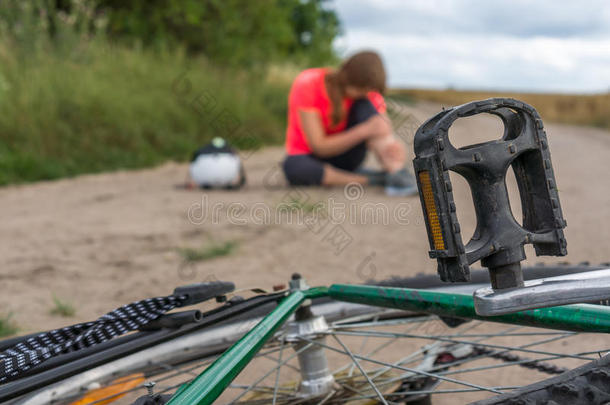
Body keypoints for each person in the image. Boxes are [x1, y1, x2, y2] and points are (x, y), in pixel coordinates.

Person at [282, 50, 417, 196]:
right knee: (293, 167)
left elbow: (382, 130)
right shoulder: (308, 83)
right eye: (363, 89)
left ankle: (395, 172)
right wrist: (364, 130)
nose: (367, 93)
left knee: (367, 109)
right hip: (312, 157)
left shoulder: (367, 97)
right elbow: (318, 146)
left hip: (348, 157)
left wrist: (393, 150)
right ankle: (371, 179)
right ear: (352, 81)